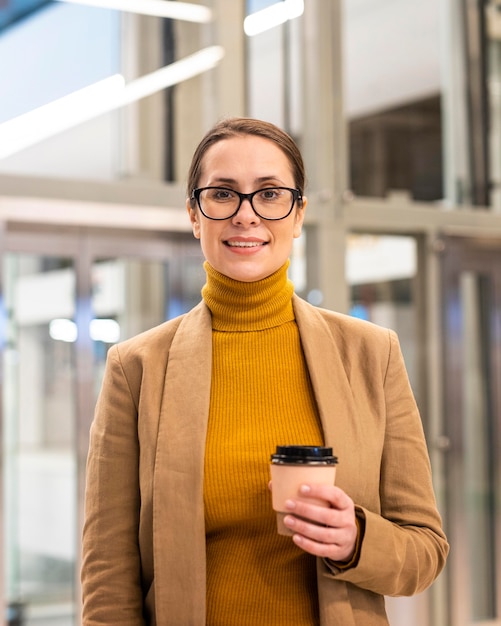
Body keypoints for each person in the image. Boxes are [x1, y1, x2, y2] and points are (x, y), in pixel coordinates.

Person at [81, 117, 449, 626]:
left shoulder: (371, 353)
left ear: (298, 214)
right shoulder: (137, 368)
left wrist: (356, 540)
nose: (246, 215)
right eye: (223, 194)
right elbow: (107, 577)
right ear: (194, 214)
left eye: (270, 194)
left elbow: (425, 552)